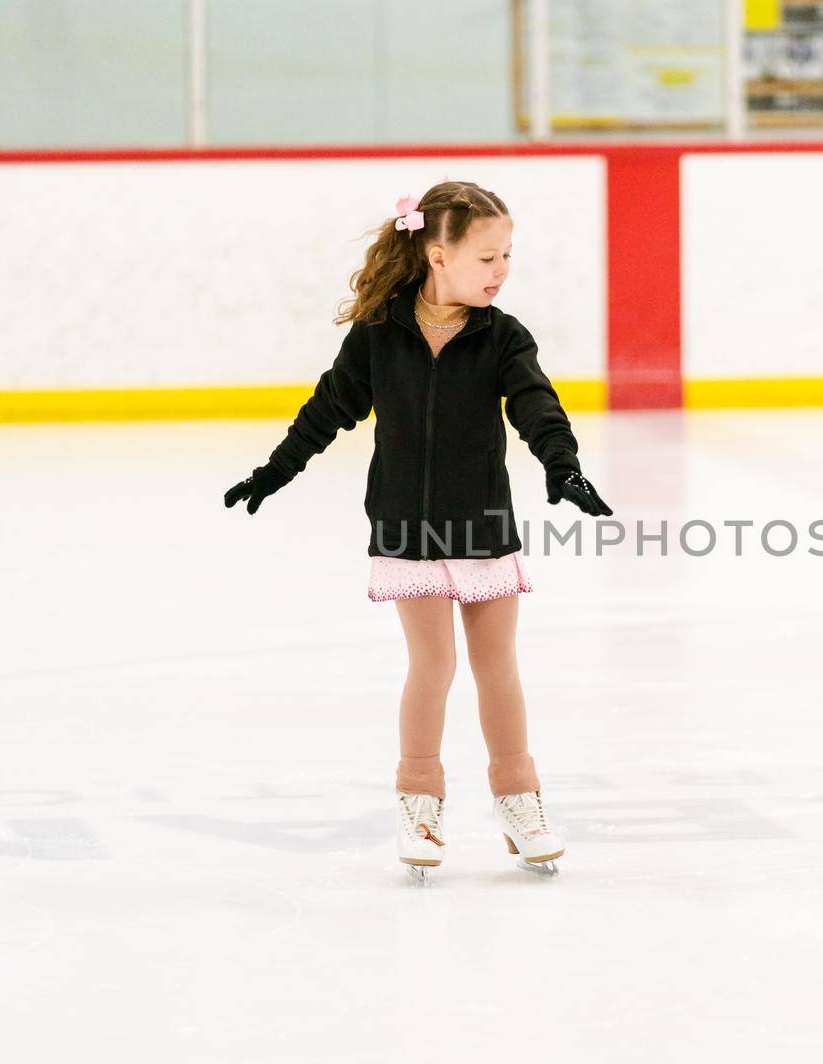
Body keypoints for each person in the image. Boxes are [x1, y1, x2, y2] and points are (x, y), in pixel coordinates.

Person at [223, 179, 611, 881]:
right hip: (405, 526)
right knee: (433, 666)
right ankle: (420, 803)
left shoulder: (502, 336)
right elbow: (328, 409)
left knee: (498, 667)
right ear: (438, 254)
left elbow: (537, 407)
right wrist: (275, 470)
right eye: (487, 257)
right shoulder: (379, 334)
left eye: (507, 256)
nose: (501, 270)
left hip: (483, 522)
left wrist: (563, 465)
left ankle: (519, 801)